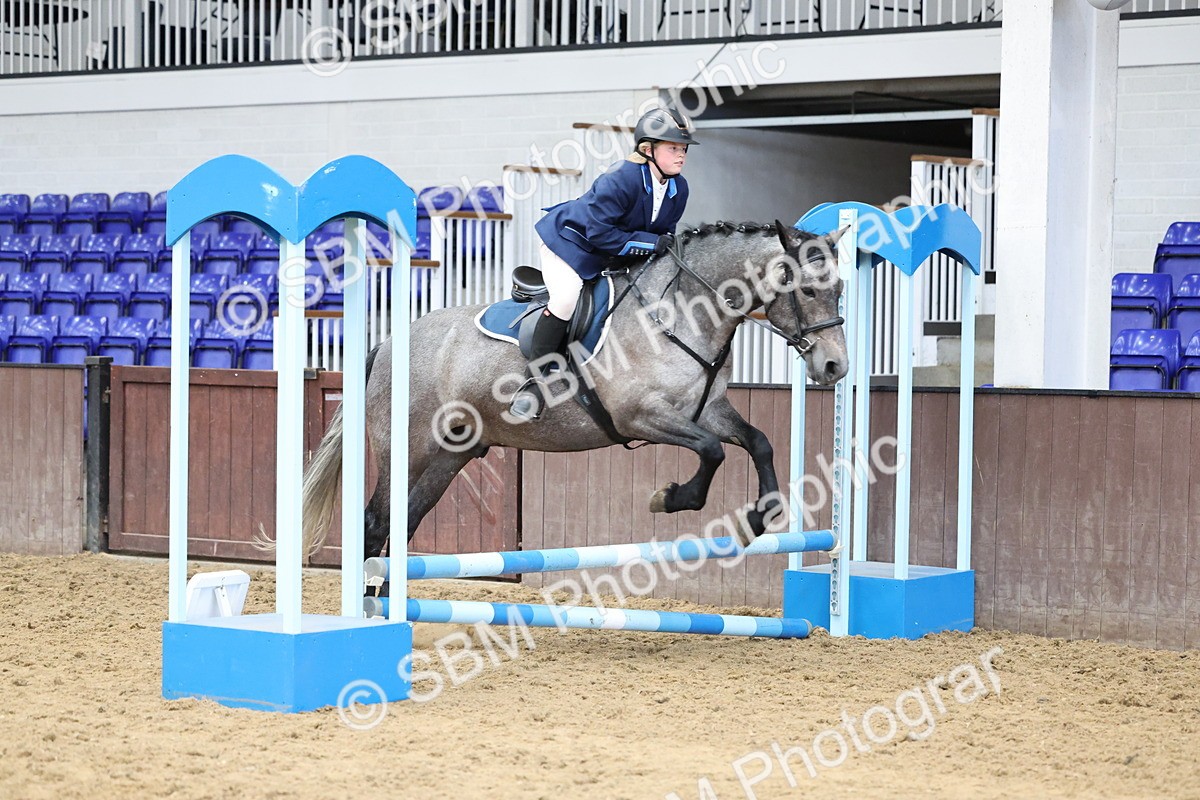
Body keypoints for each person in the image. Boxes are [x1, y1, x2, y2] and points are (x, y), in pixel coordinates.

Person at [508, 106, 699, 421]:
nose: (681, 155)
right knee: (567, 297)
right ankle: (534, 382)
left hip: (612, 251)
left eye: (684, 149)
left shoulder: (679, 188)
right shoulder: (620, 178)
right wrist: (651, 243)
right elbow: (599, 233)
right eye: (673, 148)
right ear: (647, 149)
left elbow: (664, 235)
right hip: (570, 243)